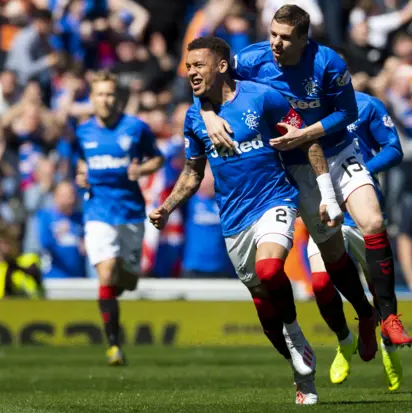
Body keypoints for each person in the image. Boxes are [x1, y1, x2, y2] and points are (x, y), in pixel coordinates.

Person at [201, 4, 412, 363]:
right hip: (293, 165)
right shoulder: (251, 59)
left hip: (337, 151)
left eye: (285, 38)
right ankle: (364, 314)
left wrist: (307, 133)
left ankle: (389, 316)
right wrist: (207, 115)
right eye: (272, 34)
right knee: (331, 256)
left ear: (304, 39)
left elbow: (348, 113)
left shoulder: (328, 63)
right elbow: (206, 78)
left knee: (374, 222)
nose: (276, 44)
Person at [150, 36, 318, 405]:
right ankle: (299, 370)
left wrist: (323, 185)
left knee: (272, 269)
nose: (190, 71)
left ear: (221, 66)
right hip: (234, 219)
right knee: (264, 311)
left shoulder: (262, 97)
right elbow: (193, 174)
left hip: (274, 199)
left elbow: (305, 135)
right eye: (188, 65)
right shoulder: (196, 117)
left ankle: (296, 334)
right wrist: (168, 206)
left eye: (198, 64)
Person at [307, 90, 404, 389]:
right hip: (324, 211)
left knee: (379, 285)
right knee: (321, 284)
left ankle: (390, 348)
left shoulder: (366, 104)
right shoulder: (299, 106)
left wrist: (361, 174)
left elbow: (394, 148)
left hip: (362, 209)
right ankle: (344, 341)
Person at [75, 71, 164, 365]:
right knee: (106, 271)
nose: (105, 99)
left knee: (126, 280)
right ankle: (114, 345)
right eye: (100, 94)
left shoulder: (136, 128)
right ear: (92, 98)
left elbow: (157, 158)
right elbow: (79, 163)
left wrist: (142, 171)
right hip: (97, 210)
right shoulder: (83, 131)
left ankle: (120, 287)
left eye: (110, 94)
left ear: (119, 98)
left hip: (130, 212)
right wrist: (81, 176)